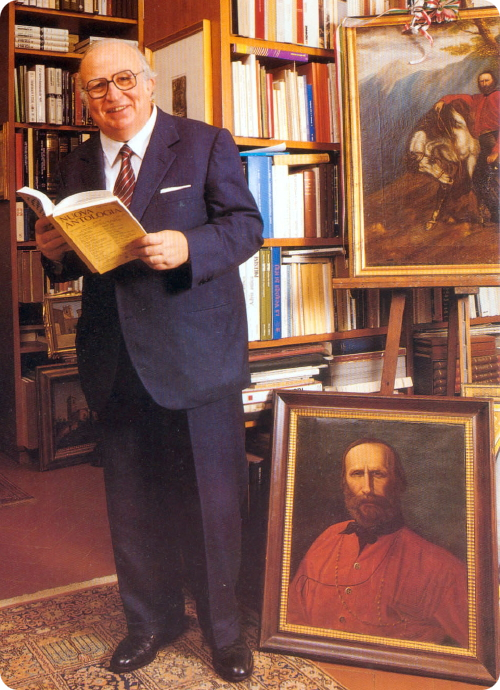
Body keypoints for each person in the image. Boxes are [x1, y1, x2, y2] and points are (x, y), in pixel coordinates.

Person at [35, 38, 263, 683]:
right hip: (115, 357)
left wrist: (189, 246)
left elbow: (245, 226)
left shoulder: (205, 142)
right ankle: (150, 623)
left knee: (211, 505)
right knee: (133, 504)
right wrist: (52, 251)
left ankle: (224, 634)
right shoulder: (75, 162)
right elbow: (75, 255)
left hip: (197, 354)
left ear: (150, 80)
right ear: (84, 98)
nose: (115, 96)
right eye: (97, 86)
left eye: (125, 79)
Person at [288, 439, 469, 647]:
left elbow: (477, 651)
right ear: (344, 483)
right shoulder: (327, 539)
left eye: (378, 474)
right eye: (357, 474)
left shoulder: (441, 568)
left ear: (398, 482)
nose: (367, 488)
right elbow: (291, 616)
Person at [434, 70, 499, 222]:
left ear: (494, 82)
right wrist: (443, 100)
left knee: (485, 178)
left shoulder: (498, 96)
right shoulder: (478, 98)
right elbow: (462, 97)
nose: (484, 84)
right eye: (481, 81)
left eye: (487, 80)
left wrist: (496, 151)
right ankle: (497, 214)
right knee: (478, 180)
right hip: (484, 143)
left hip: (495, 140)